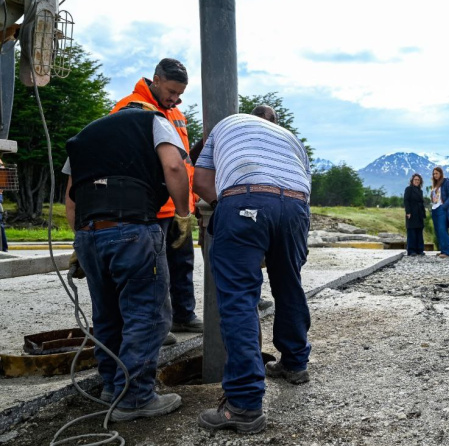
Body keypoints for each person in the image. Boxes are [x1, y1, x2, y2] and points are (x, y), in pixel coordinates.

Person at [63, 101, 192, 421]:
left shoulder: (84, 136)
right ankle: (135, 397)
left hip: (89, 233)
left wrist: (81, 240)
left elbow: (71, 198)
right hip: (132, 228)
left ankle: (112, 388)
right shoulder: (153, 121)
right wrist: (183, 214)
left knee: (107, 315)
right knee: (147, 314)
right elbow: (174, 166)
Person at [193, 112, 311, 434]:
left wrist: (225, 207)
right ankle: (295, 363)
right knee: (289, 285)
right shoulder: (289, 137)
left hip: (244, 199)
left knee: (239, 298)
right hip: (295, 205)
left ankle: (244, 404)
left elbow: (200, 180)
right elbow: (304, 188)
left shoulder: (224, 126)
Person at [111, 58, 202, 337]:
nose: (174, 98)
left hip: (178, 205)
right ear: (156, 80)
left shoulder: (175, 113)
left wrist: (188, 204)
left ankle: (183, 316)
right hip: (149, 208)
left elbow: (183, 163)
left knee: (182, 264)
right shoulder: (130, 108)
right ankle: (157, 327)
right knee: (153, 272)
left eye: (180, 94)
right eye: (171, 92)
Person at [430, 166, 449, 258]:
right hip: (434, 209)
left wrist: (444, 206)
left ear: (441, 173)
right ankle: (443, 250)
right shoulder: (435, 184)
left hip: (442, 209)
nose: (435, 175)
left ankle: (448, 252)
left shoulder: (446, 182)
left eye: (436, 173)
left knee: (442, 230)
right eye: (434, 174)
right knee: (438, 231)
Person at [404, 173, 425, 256]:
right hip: (412, 213)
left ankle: (420, 250)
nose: (417, 181)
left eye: (418, 180)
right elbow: (406, 201)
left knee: (419, 232)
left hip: (419, 213)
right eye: (415, 179)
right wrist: (408, 212)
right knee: (412, 231)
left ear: (420, 181)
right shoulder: (408, 189)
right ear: (412, 181)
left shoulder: (420, 191)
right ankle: (411, 250)